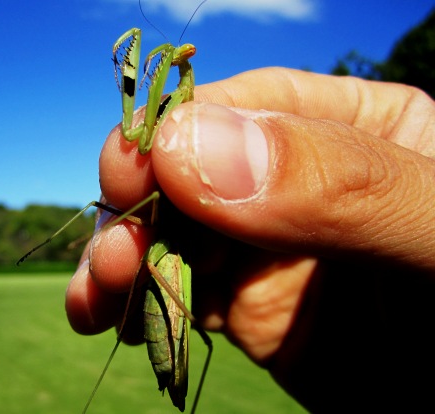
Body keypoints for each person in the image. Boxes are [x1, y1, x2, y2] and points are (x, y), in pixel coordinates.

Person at [64, 67, 435, 412]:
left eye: (178, 62)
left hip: (169, 259)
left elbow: (138, 155)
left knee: (132, 232)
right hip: (170, 254)